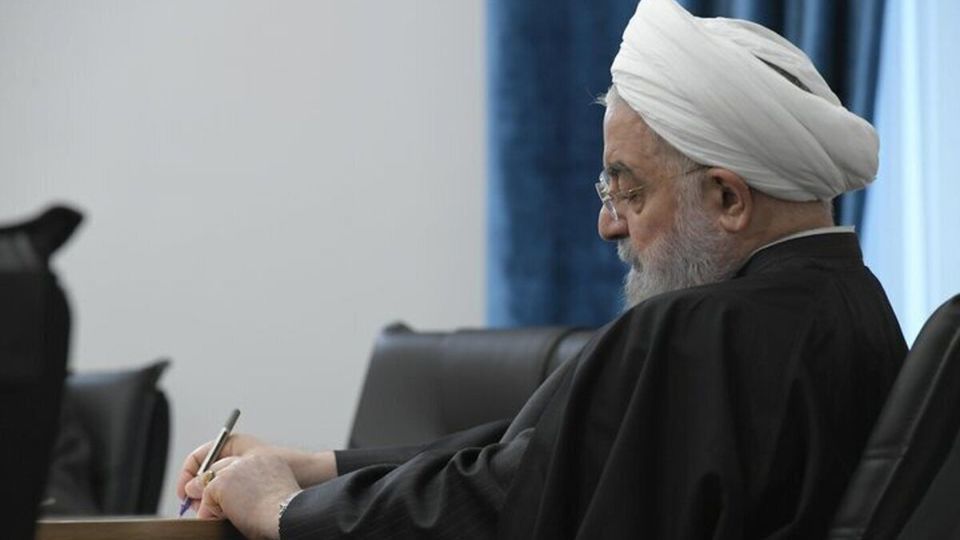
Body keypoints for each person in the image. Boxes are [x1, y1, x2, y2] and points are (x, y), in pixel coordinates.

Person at [177, 0, 907, 538]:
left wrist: (285, 512)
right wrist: (319, 469)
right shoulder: (851, 306)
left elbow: (512, 503)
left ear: (727, 198)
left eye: (629, 189)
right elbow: (545, 454)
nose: (608, 223)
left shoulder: (702, 329)